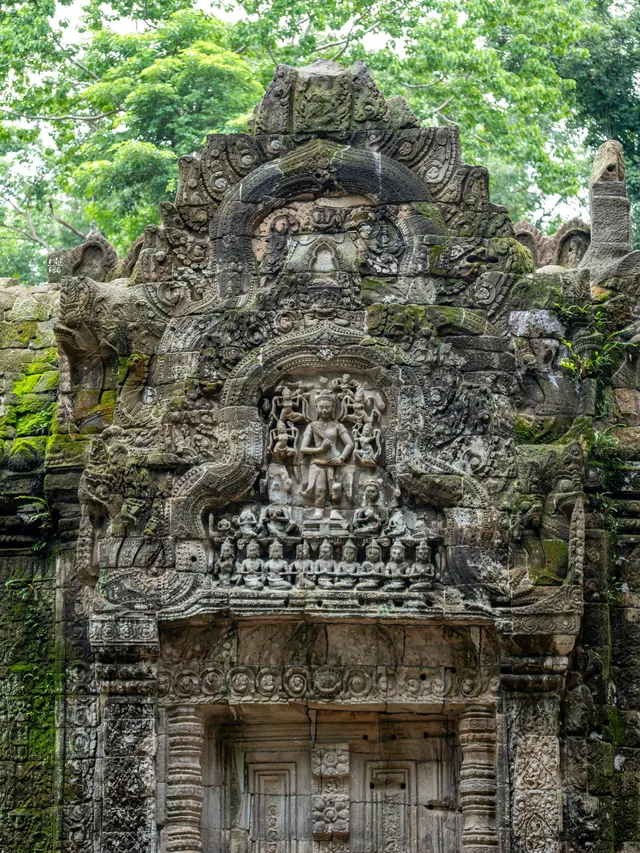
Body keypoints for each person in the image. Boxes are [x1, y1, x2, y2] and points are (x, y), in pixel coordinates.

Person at [300, 391, 353, 512]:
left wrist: (342, 457)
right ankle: (318, 511)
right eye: (321, 407)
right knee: (320, 489)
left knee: (336, 489)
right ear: (316, 408)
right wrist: (320, 449)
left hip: (335, 461)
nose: (324, 410)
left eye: (327, 407)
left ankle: (335, 512)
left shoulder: (337, 426)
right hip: (318, 462)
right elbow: (303, 449)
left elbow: (350, 444)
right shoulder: (312, 426)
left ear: (333, 408)